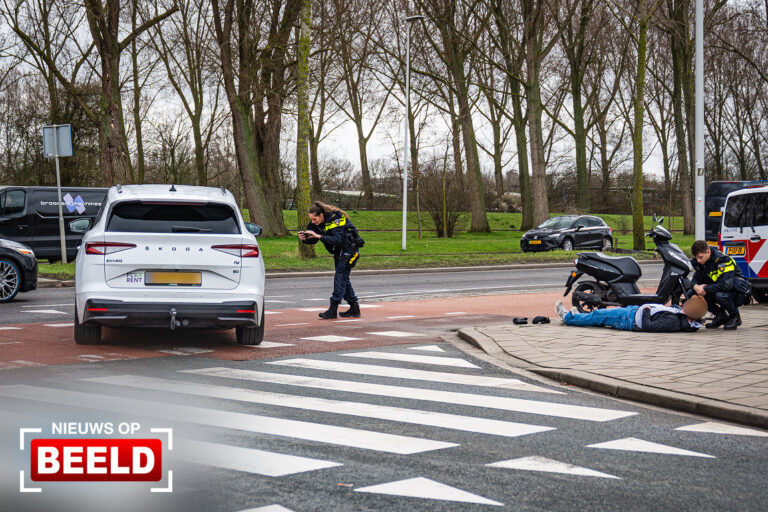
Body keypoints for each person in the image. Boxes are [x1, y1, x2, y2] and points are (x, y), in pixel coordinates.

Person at [299, 201, 364, 319]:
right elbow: (313, 239)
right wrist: (305, 238)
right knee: (343, 278)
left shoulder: (336, 218)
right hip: (340, 248)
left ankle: (333, 309)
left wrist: (319, 236)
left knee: (340, 276)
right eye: (311, 220)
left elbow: (337, 239)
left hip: (350, 246)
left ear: (321, 215)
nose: (312, 222)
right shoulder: (316, 222)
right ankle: (354, 307)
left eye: (314, 219)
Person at [554, 295, 708, 332]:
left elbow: (649, 326)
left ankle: (568, 318)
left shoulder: (674, 322)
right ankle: (578, 318)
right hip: (633, 312)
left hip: (629, 319)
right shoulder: (680, 315)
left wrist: (647, 310)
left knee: (598, 316)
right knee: (600, 316)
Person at [690, 240, 751, 330]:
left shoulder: (723, 260)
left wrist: (705, 288)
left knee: (720, 296)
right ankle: (721, 316)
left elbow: (726, 285)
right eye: (696, 257)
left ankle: (735, 317)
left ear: (708, 252)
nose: (698, 260)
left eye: (700, 257)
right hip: (717, 288)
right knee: (692, 292)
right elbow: (695, 279)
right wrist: (695, 286)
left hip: (736, 291)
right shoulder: (700, 262)